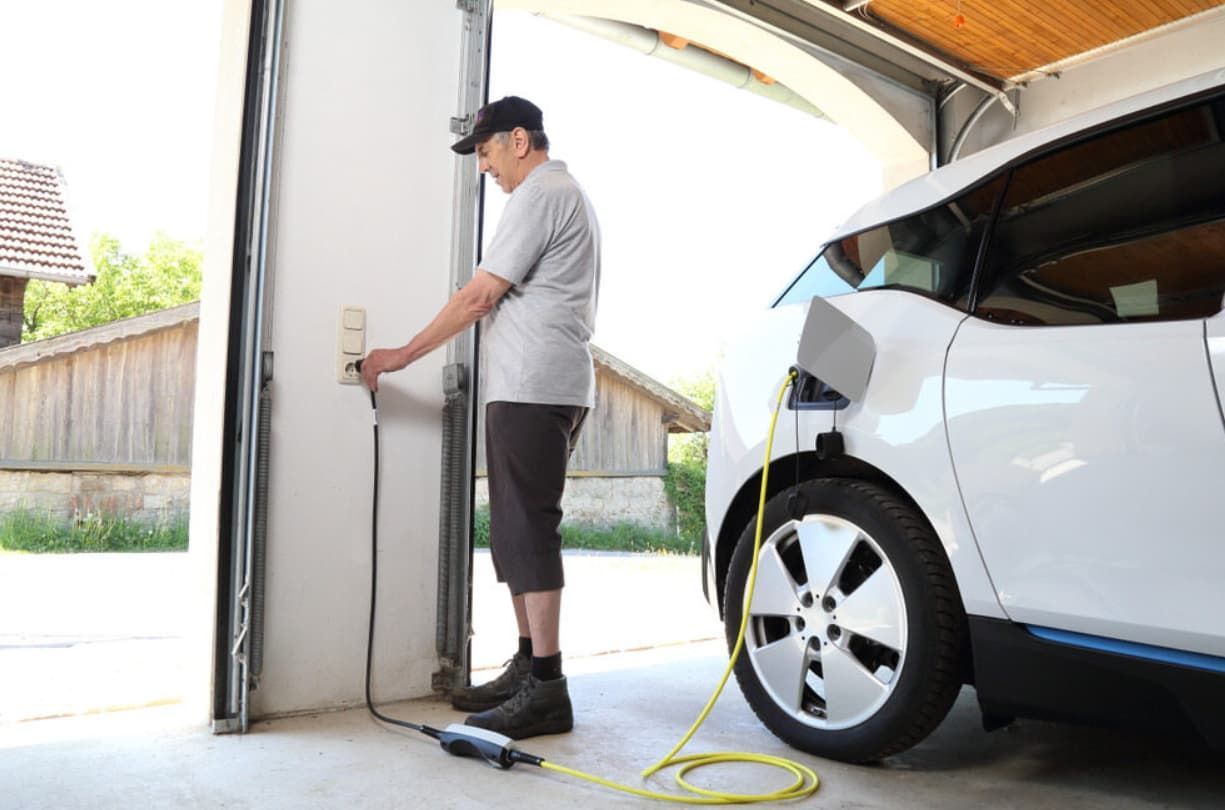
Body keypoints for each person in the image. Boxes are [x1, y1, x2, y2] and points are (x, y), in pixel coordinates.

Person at [360, 96, 600, 739]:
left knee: (528, 530)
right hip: (539, 383)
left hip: (533, 385)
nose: (485, 167)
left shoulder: (543, 193)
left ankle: (547, 686)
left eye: (488, 151)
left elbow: (478, 296)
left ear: (519, 140)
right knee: (515, 532)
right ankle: (528, 665)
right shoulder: (556, 193)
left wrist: (401, 355)